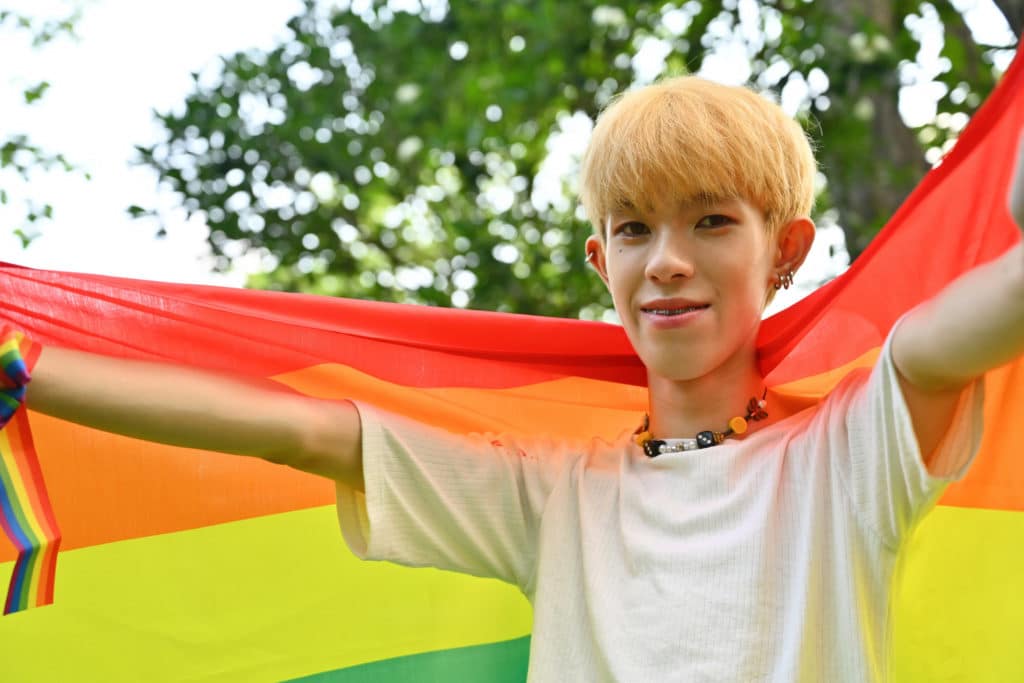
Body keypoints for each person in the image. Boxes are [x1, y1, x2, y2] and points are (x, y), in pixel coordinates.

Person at [15, 76, 1024, 681]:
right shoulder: (554, 493)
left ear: (786, 249)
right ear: (602, 263)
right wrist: (28, 373)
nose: (666, 259)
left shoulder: (847, 453)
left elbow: (952, 332)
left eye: (711, 220)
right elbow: (301, 430)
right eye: (634, 228)